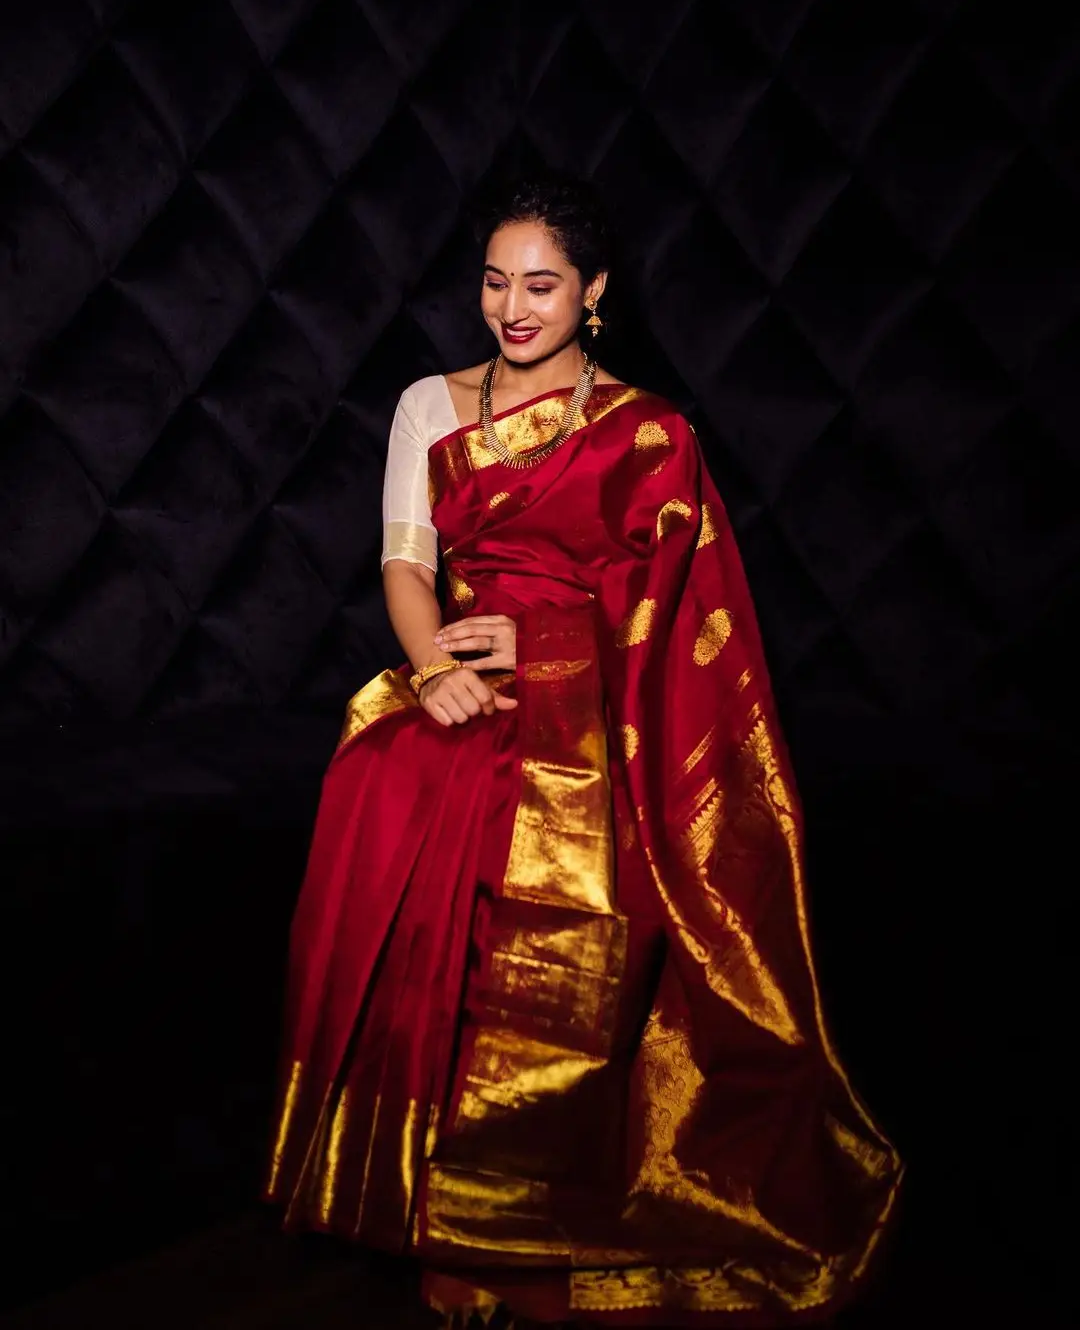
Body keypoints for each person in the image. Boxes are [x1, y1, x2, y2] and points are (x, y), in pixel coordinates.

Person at [264, 175, 901, 1328]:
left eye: (542, 284)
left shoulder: (650, 432)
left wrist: (551, 640)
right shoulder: (432, 404)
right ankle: (401, 1180)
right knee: (391, 776)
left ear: (593, 292)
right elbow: (407, 565)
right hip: (457, 681)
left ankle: (522, 1193)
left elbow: (678, 605)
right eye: (497, 282)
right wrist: (434, 673)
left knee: (562, 849)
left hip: (599, 707)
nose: (513, 307)